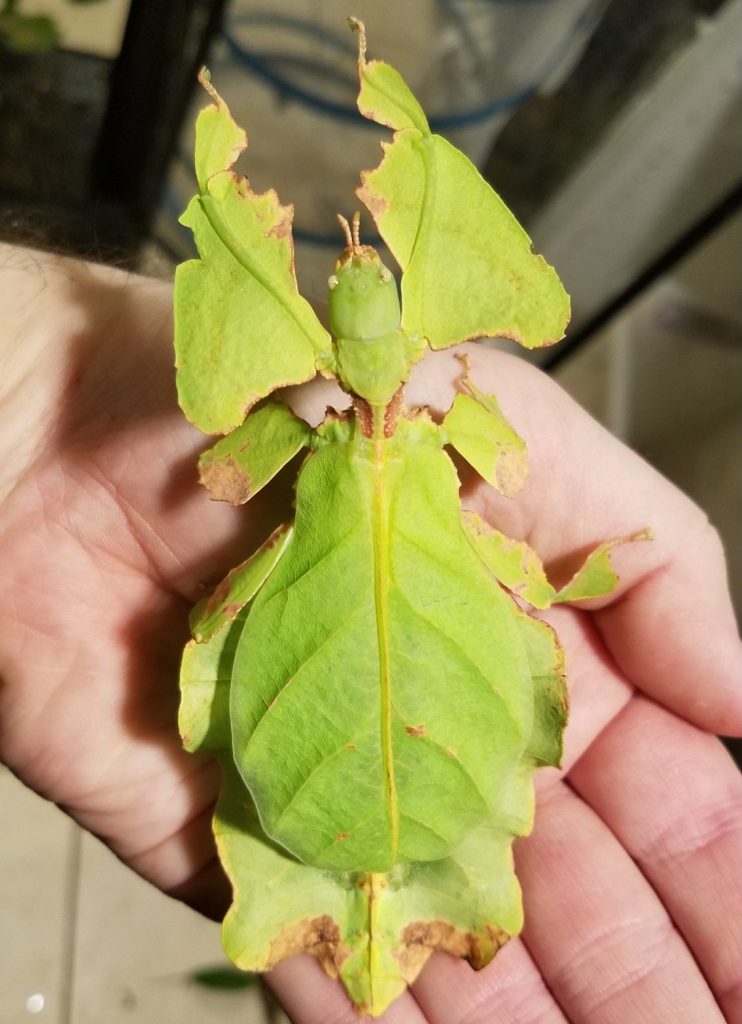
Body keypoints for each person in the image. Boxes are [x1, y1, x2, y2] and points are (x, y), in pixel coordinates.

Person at [0, 241, 740, 1023]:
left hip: (322, 760)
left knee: (221, 618)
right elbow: (519, 515)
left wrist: (54, 376)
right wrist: (52, 385)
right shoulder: (441, 423)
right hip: (389, 762)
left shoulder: (303, 430)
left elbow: (223, 493)